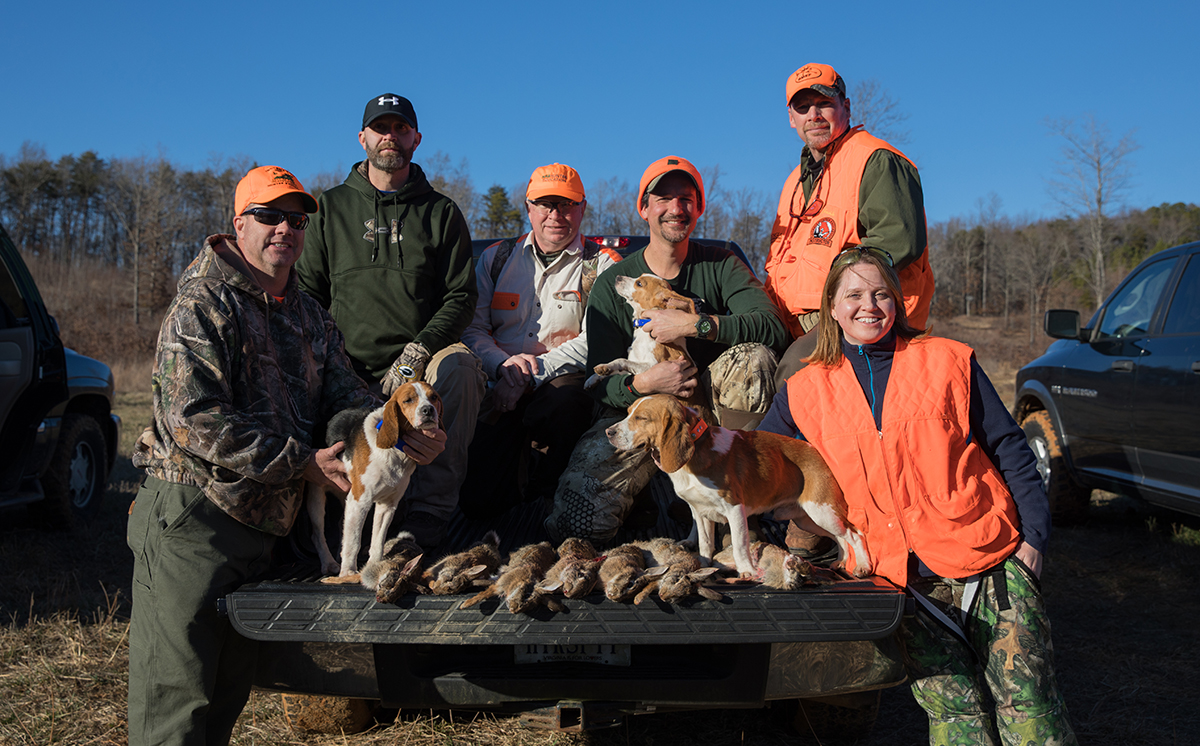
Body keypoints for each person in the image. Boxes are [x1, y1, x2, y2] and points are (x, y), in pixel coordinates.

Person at [127, 166, 446, 746]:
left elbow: (348, 393)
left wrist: (397, 430)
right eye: (270, 216)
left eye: (296, 219)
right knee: (175, 705)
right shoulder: (203, 303)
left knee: (225, 693)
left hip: (266, 529)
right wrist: (300, 461)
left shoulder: (306, 314)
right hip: (195, 519)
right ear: (238, 223)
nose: (285, 230)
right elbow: (193, 419)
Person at [758, 248, 1076, 745]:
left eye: (882, 293)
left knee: (1030, 706)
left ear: (898, 301)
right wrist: (802, 530)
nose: (870, 305)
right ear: (833, 308)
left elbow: (1010, 446)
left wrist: (1034, 538)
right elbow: (762, 469)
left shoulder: (947, 360)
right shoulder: (803, 390)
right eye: (855, 295)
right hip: (901, 584)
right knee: (955, 717)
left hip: (989, 560)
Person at [545, 155, 789, 544]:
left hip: (710, 421)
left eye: (686, 198)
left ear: (699, 207)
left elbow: (771, 326)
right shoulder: (613, 284)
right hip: (639, 416)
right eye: (663, 198)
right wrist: (644, 383)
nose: (676, 208)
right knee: (577, 526)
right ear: (643, 208)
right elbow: (598, 381)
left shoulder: (721, 265)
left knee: (754, 358)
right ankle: (650, 494)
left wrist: (696, 325)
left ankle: (737, 511)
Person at [296, 93, 484, 550]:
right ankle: (311, 517)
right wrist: (333, 361)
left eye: (401, 128)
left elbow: (461, 296)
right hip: (347, 362)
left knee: (460, 369)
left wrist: (419, 352)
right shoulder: (328, 209)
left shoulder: (440, 212)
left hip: (419, 360)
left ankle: (428, 516)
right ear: (363, 138)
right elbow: (306, 295)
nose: (390, 137)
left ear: (416, 139)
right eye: (381, 128)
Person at [460, 163, 620, 519]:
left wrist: (532, 373)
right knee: (479, 503)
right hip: (497, 384)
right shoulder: (496, 258)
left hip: (560, 381)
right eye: (545, 204)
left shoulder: (604, 266)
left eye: (566, 204)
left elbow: (597, 338)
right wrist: (504, 366)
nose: (555, 214)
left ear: (583, 208)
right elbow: (472, 329)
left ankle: (553, 504)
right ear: (528, 207)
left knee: (569, 401)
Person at [764, 63, 935, 384]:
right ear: (791, 119)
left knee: (793, 375)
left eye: (824, 103)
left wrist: (839, 298)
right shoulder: (794, 184)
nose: (813, 114)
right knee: (740, 361)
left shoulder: (876, 160)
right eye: (802, 107)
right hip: (792, 320)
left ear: (846, 106)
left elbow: (898, 242)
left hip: (858, 316)